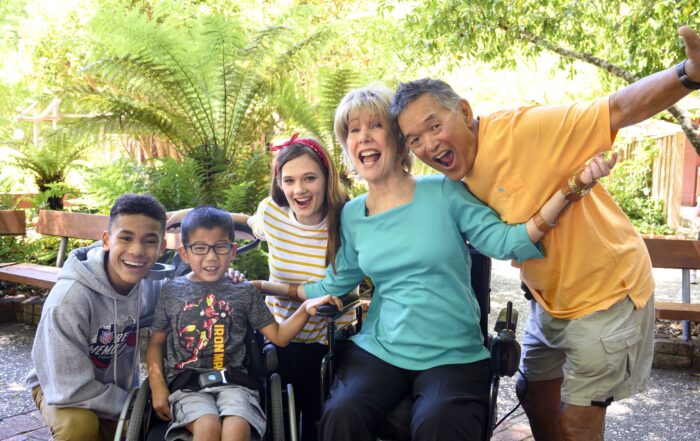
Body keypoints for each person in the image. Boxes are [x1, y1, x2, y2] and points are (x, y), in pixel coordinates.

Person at [390, 25, 700, 441]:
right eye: (414, 139)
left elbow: (617, 108)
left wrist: (688, 73)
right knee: (532, 393)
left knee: (577, 421)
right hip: (549, 300)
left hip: (607, 293)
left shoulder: (526, 129)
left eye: (433, 126)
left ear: (463, 112)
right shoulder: (454, 178)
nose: (428, 144)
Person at [253, 85, 614, 441]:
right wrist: (261, 288)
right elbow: (336, 282)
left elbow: (506, 241)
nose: (363, 137)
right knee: (342, 412)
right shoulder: (351, 215)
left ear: (397, 138)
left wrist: (571, 190)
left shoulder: (443, 191)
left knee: (440, 423)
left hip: (452, 351)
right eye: (352, 130)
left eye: (374, 126)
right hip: (381, 345)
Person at [146, 206, 340, 441]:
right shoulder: (171, 291)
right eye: (199, 248)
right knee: (207, 428)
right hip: (187, 385)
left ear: (233, 251)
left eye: (220, 247)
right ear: (185, 253)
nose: (211, 256)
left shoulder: (243, 291)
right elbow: (156, 343)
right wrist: (157, 385)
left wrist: (305, 308)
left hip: (235, 384)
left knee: (236, 429)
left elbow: (278, 336)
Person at [25, 193, 169, 441]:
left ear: (161, 248)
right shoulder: (69, 300)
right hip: (59, 385)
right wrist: (132, 405)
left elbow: (189, 297)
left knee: (149, 425)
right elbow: (70, 388)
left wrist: (230, 282)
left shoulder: (148, 287)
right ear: (106, 240)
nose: (137, 250)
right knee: (79, 427)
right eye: (126, 237)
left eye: (149, 241)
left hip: (112, 388)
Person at [246, 134, 357, 441]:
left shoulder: (346, 221)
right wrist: (184, 218)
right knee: (267, 417)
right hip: (276, 335)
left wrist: (340, 299)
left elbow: (358, 285)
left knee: (315, 425)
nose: (299, 190)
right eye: (289, 180)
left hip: (327, 342)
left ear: (327, 178)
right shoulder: (272, 212)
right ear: (279, 184)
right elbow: (248, 224)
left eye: (310, 178)